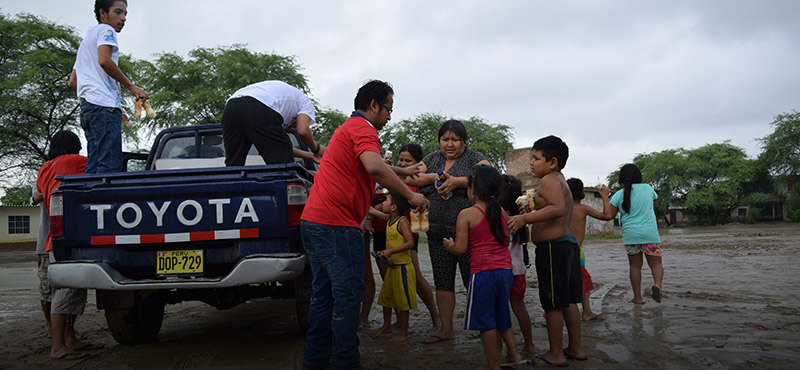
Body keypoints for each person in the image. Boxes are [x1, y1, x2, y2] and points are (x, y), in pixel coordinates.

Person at [299, 80, 429, 370]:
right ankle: (345, 362)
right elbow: (373, 166)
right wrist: (410, 194)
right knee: (347, 295)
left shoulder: (347, 129)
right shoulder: (364, 129)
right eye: (388, 110)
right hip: (336, 224)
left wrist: (403, 170)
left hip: (314, 221)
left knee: (324, 295)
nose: (388, 117)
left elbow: (370, 163)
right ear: (374, 105)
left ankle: (316, 361)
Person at [405, 120, 490, 344]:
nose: (449, 144)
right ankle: (446, 329)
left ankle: (487, 330)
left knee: (473, 281)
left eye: (455, 139)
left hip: (468, 236)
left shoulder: (473, 158)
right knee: (443, 282)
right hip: (437, 233)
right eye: (445, 139)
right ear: (439, 141)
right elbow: (410, 177)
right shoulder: (432, 159)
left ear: (464, 141)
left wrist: (457, 182)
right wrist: (436, 177)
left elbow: (487, 176)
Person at [507, 135, 585, 366]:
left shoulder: (549, 180)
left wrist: (523, 219)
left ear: (552, 162)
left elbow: (557, 208)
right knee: (569, 301)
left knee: (552, 302)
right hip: (567, 245)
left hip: (554, 248)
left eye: (536, 158)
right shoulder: (560, 180)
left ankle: (555, 354)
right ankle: (575, 348)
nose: (531, 162)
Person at [443, 165, 525, 370]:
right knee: (501, 314)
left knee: (486, 321)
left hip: (483, 274)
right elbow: (509, 236)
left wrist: (450, 246)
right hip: (505, 272)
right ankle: (515, 355)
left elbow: (460, 248)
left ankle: (493, 365)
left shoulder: (467, 214)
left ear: (473, 189)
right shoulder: (501, 212)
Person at [36, 131, 101, 360]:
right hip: (71, 236)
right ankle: (57, 347)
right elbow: (101, 169)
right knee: (66, 291)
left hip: (54, 239)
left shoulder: (45, 168)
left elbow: (39, 195)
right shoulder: (76, 162)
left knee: (73, 290)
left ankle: (70, 340)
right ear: (74, 145)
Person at [69, 0, 149, 174]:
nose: (123, 18)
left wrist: (94, 97)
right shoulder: (106, 30)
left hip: (89, 108)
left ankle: (89, 201)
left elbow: (73, 81)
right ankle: (104, 201)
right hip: (104, 109)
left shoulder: (86, 41)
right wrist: (131, 87)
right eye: (118, 12)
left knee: (94, 165)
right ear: (103, 13)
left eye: (125, 14)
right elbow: (104, 60)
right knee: (109, 166)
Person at [222, 80, 325, 166]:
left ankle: (231, 189)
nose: (289, 127)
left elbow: (280, 146)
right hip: (260, 105)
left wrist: (309, 155)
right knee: (284, 167)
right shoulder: (305, 102)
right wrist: (316, 149)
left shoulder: (284, 104)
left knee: (234, 164)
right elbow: (303, 131)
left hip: (230, 107)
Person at [606, 164, 664, 304]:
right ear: (639, 176)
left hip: (631, 236)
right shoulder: (648, 188)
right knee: (656, 264)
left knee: (635, 266)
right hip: (650, 234)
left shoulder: (618, 195)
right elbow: (655, 204)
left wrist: (604, 196)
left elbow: (610, 215)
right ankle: (657, 285)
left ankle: (637, 298)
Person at [397, 143, 440, 329]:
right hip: (386, 230)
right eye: (401, 160)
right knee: (392, 280)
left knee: (415, 276)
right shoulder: (391, 176)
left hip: (408, 234)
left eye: (408, 160)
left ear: (417, 163)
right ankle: (398, 321)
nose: (404, 163)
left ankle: (435, 316)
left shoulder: (416, 181)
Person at [372, 192, 417, 341]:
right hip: (392, 267)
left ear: (393, 207)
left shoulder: (402, 222)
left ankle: (403, 332)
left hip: (402, 267)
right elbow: (374, 211)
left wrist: (391, 251)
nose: (383, 203)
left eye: (386, 201)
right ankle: (387, 325)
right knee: (386, 298)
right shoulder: (389, 220)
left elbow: (410, 243)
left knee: (403, 301)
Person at [499, 174, 536, 354]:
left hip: (500, 269)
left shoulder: (497, 214)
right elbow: (525, 240)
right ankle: (529, 344)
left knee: (498, 308)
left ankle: (500, 347)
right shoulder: (520, 216)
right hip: (518, 269)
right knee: (519, 308)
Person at [567, 178, 613, 321]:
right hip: (576, 251)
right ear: (582, 195)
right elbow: (607, 215)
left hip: (561, 250)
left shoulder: (561, 209)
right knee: (584, 281)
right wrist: (605, 196)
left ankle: (552, 313)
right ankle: (586, 312)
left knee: (565, 281)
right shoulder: (583, 209)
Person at [31, 186, 53, 339]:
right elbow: (36, 197)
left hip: (68, 243)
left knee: (68, 291)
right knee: (46, 289)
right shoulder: (41, 177)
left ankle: (67, 329)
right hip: (45, 245)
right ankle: (49, 325)